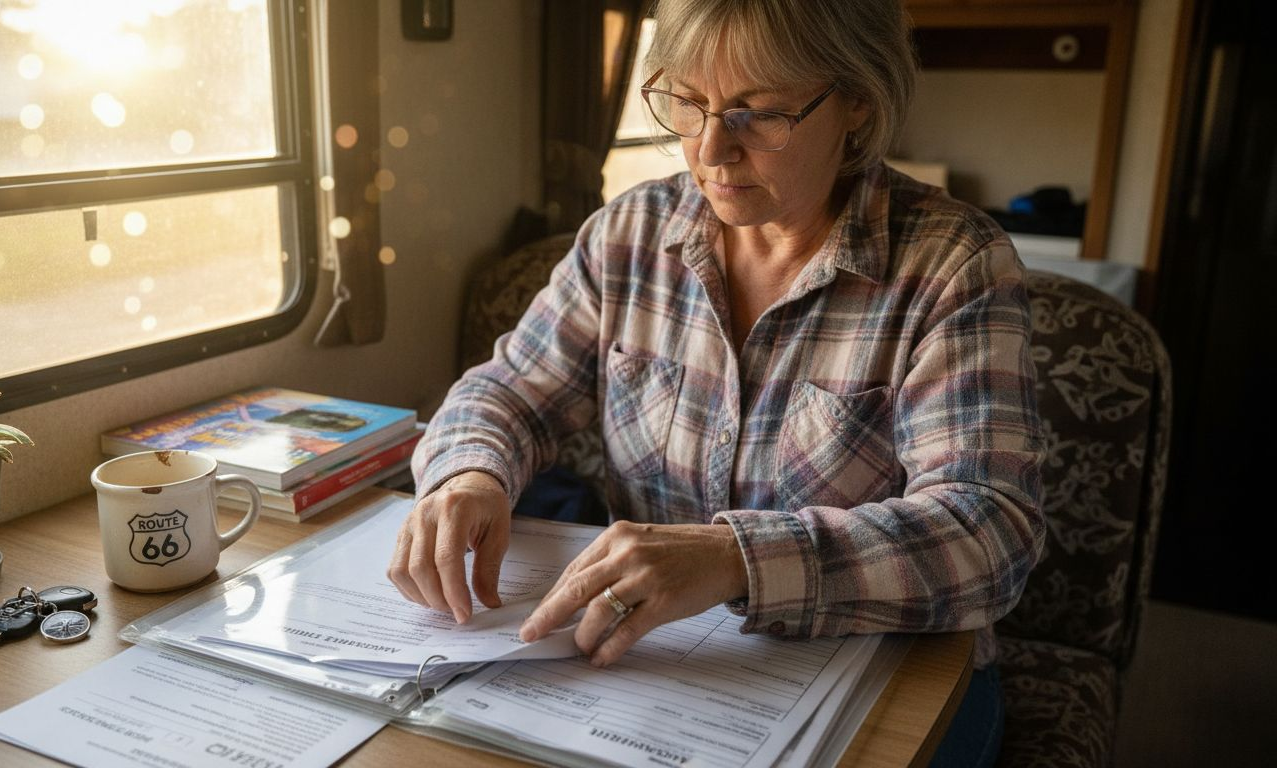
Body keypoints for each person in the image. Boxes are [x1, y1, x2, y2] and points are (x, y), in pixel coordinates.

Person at [389, 1, 1044, 764]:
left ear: (858, 100)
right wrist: (468, 474)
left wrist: (733, 558)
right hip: (655, 667)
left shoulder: (953, 265)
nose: (709, 151)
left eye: (756, 114)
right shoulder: (628, 236)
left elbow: (991, 533)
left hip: (886, 675)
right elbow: (506, 390)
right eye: (687, 103)